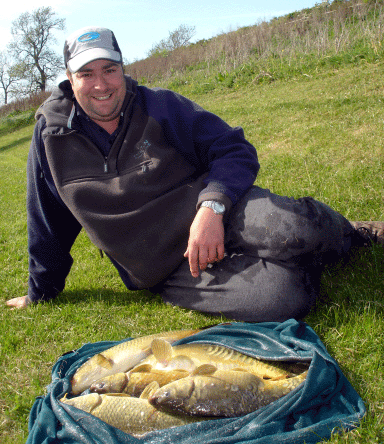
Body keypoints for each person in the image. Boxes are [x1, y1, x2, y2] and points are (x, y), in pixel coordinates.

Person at [5, 27, 383, 321]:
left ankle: (351, 233)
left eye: (110, 70)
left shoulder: (161, 106)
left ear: (123, 69)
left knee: (299, 227)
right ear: (70, 80)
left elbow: (233, 148)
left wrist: (212, 208)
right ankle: (293, 260)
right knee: (283, 299)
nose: (101, 85)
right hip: (168, 266)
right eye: (86, 74)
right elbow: (47, 222)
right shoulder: (51, 138)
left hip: (218, 212)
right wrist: (42, 291)